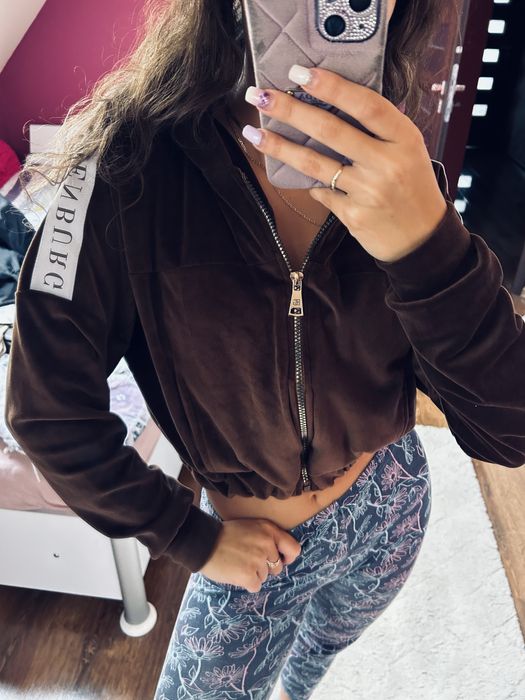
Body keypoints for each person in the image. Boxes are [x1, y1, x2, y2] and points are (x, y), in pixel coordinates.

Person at [6, 1, 525, 699]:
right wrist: (189, 538)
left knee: (323, 651)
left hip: (394, 498)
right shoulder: (120, 170)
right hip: (256, 551)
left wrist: (428, 246)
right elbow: (47, 416)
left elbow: (509, 431)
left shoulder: (399, 168)